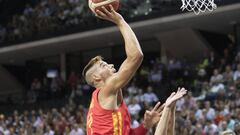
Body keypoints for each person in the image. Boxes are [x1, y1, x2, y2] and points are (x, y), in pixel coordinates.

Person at [82, 5, 163, 135]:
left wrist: (145, 126)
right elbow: (136, 56)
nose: (112, 66)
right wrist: (120, 21)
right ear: (96, 78)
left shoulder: (112, 99)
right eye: (104, 66)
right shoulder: (106, 89)